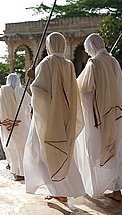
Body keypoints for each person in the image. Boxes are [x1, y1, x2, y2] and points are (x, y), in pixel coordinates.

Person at [23, 32, 85, 202]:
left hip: (48, 118)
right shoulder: (69, 64)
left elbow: (40, 92)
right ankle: (60, 190)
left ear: (49, 46)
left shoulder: (46, 62)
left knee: (41, 153)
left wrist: (32, 78)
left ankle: (58, 190)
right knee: (62, 152)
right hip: (65, 115)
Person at [76, 33, 122, 201]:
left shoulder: (93, 63)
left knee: (95, 149)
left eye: (87, 50)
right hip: (117, 113)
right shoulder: (114, 61)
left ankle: (95, 187)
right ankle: (117, 190)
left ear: (91, 47)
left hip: (97, 115)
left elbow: (84, 89)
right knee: (115, 148)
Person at [0, 73, 31, 181]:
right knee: (22, 148)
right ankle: (21, 171)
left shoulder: (3, 91)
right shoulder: (21, 90)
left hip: (7, 126)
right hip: (22, 125)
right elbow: (30, 104)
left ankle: (16, 170)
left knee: (11, 147)